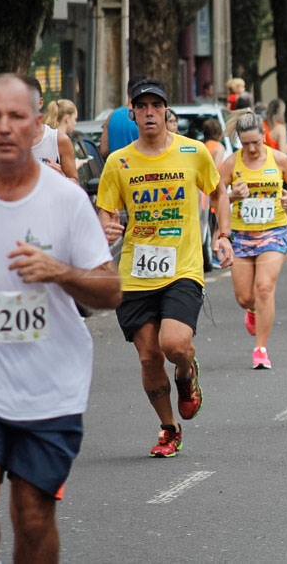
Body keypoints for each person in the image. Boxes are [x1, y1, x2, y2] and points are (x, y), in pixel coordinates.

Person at [0, 73, 121, 564]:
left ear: (37, 125)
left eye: (17, 117)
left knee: (32, 514)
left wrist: (59, 271)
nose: (6, 127)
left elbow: (111, 290)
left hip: (51, 383)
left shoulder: (65, 199)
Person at [96, 78, 233, 458]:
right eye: (143, 106)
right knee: (147, 356)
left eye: (157, 105)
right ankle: (169, 428)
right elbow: (105, 208)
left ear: (166, 111)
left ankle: (187, 373)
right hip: (136, 272)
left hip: (182, 268)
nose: (150, 112)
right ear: (133, 113)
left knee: (173, 344)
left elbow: (218, 190)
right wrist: (105, 224)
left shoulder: (193, 152)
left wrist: (224, 235)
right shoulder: (118, 162)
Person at [220, 111, 287, 370]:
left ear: (264, 136)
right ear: (239, 141)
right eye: (246, 144)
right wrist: (233, 195)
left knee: (264, 288)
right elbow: (217, 197)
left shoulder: (279, 159)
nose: (252, 148)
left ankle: (261, 349)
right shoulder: (231, 164)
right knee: (245, 297)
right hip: (242, 235)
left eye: (256, 142)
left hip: (274, 232)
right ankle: (253, 311)